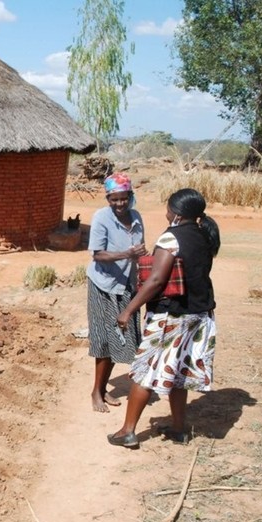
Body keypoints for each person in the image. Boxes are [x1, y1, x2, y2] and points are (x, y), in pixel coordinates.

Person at [107, 188, 220, 448]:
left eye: (168, 208)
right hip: (199, 314)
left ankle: (127, 431)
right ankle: (179, 429)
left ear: (177, 213)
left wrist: (128, 310)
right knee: (179, 369)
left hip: (172, 315)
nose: (166, 212)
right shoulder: (204, 234)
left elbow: (157, 280)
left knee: (145, 370)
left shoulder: (171, 238)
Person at [86, 173, 148, 412]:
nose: (120, 203)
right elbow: (97, 254)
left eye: (124, 198)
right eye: (114, 199)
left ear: (130, 196)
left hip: (127, 286)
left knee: (118, 338)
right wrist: (126, 255)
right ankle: (96, 391)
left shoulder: (136, 217)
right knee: (104, 340)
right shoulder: (102, 218)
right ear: (108, 199)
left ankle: (102, 389)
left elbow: (139, 250)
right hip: (104, 286)